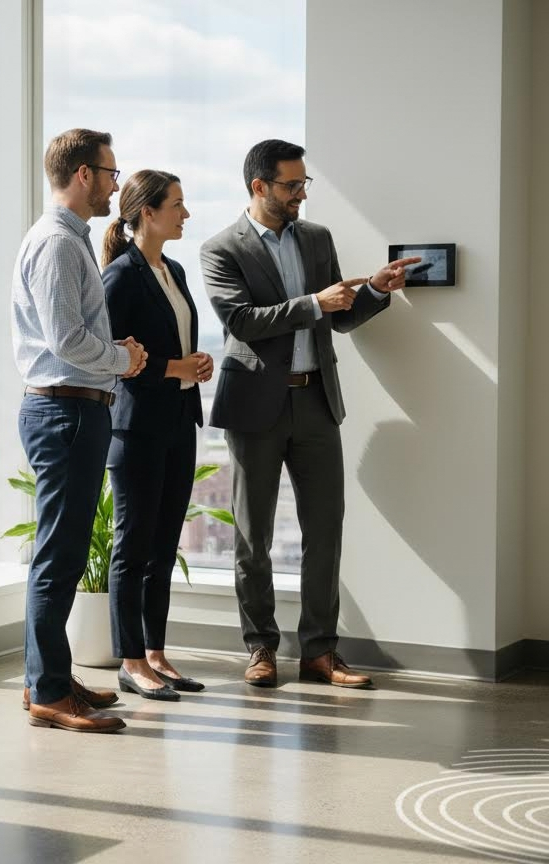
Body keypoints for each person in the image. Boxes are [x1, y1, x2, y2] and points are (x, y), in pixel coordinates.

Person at [200, 139, 419, 689]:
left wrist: (373, 291)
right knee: (253, 536)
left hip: (317, 400)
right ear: (260, 186)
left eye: (304, 184)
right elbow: (242, 322)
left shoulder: (317, 239)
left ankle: (321, 652)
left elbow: (339, 318)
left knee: (326, 531)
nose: (301, 194)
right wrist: (316, 302)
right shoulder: (221, 248)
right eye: (291, 185)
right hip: (254, 406)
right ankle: (260, 648)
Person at [12, 128, 147, 732]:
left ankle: (48, 677)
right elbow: (65, 339)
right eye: (111, 173)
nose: (116, 185)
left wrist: (114, 355)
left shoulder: (68, 240)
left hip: (73, 408)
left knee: (61, 553)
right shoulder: (58, 244)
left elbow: (69, 333)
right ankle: (48, 691)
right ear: (84, 174)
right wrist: (122, 358)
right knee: (59, 556)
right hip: (65, 411)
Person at [100, 170, 213, 700]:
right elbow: (111, 358)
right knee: (133, 547)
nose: (185, 214)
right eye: (177, 205)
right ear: (147, 212)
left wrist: (195, 364)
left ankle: (155, 653)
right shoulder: (120, 276)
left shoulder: (174, 270)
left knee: (164, 545)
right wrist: (174, 368)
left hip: (178, 422)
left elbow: (175, 342)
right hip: (136, 428)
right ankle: (129, 661)